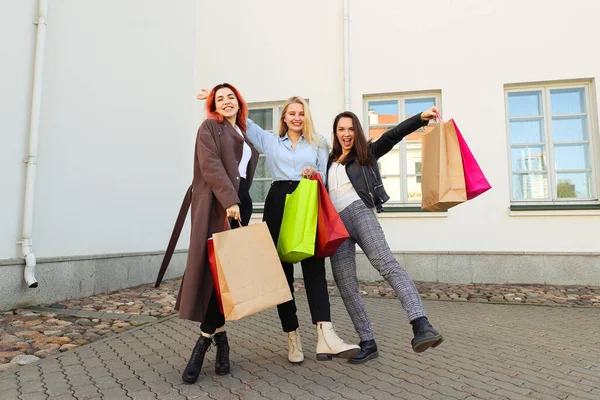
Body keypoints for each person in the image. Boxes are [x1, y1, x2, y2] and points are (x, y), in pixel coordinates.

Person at [198, 90, 360, 363]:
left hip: (307, 202)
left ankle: (326, 336)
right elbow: (239, 116)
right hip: (277, 204)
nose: (297, 118)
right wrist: (217, 93)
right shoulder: (270, 141)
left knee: (314, 268)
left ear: (306, 117)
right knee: (281, 275)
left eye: (301, 113)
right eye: (292, 113)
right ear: (284, 117)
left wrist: (314, 174)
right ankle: (292, 337)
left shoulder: (319, 143)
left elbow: (325, 176)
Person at [327, 108, 444, 363]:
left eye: (350, 129)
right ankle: (367, 342)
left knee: (386, 264)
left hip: (360, 213)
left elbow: (393, 135)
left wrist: (419, 118)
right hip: (336, 225)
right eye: (341, 129)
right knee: (345, 285)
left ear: (356, 130)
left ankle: (421, 325)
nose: (346, 134)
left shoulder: (365, 154)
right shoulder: (328, 161)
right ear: (335, 133)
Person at [178, 83, 259, 383]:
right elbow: (210, 166)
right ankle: (206, 342)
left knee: (227, 279)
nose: (226, 102)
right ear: (213, 105)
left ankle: (218, 342)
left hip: (241, 206)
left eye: (231, 97)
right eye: (220, 99)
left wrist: (239, 202)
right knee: (217, 276)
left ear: (240, 102)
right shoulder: (209, 128)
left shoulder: (242, 132)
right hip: (221, 207)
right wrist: (230, 200)